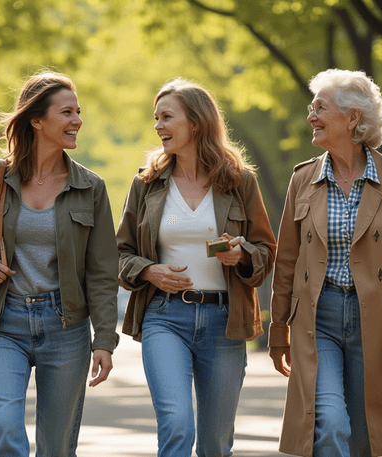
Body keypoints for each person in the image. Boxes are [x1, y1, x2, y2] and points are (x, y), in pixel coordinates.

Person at [268, 69, 382, 457]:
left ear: (352, 118)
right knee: (329, 423)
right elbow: (287, 262)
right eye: (311, 107)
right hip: (319, 317)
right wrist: (278, 329)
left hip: (377, 319)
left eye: (320, 108)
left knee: (366, 433)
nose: (311, 116)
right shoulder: (303, 179)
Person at [0, 71, 119, 457]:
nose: (77, 120)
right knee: (6, 428)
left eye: (78, 111)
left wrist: (104, 339)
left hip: (67, 327)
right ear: (37, 120)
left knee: (56, 448)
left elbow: (103, 272)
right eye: (67, 112)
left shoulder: (90, 187)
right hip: (2, 323)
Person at [116, 78, 276, 457]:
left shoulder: (240, 182)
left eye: (167, 117)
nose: (158, 126)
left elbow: (267, 250)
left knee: (215, 443)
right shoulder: (147, 183)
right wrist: (149, 271)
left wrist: (242, 255)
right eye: (156, 118)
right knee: (175, 424)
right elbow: (119, 254)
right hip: (164, 318)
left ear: (197, 123)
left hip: (225, 321)